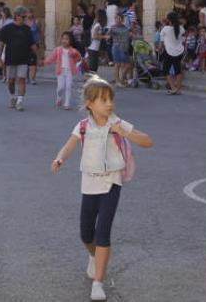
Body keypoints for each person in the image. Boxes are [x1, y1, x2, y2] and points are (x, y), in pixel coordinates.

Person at [50, 76, 153, 301]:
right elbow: (70, 145)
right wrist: (59, 159)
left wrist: (125, 132)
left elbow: (147, 141)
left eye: (110, 99)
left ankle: (98, 283)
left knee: (102, 232)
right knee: (86, 233)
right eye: (103, 100)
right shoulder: (83, 126)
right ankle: (93, 256)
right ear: (89, 103)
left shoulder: (117, 123)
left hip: (111, 183)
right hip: (89, 183)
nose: (109, 104)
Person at [0, 6, 39, 111]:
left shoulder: (27, 29)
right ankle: (12, 96)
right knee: (10, 81)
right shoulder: (7, 29)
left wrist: (38, 56)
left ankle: (20, 101)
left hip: (23, 58)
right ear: (16, 16)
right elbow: (1, 43)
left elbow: (32, 44)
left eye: (25, 17)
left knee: (22, 79)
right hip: (10, 58)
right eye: (23, 16)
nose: (25, 18)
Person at [42, 32, 83, 110]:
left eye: (67, 39)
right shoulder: (58, 49)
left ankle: (67, 103)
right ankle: (59, 97)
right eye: (63, 38)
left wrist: (76, 57)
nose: (65, 41)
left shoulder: (73, 51)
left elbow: (79, 57)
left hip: (69, 71)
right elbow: (52, 58)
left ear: (70, 41)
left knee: (68, 87)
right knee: (60, 87)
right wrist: (44, 62)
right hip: (60, 71)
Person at [160, 11, 186, 95]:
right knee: (178, 70)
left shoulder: (165, 29)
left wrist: (160, 48)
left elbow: (162, 41)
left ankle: (173, 88)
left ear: (168, 19)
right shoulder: (181, 28)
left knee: (166, 70)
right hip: (179, 51)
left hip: (169, 51)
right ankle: (178, 89)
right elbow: (183, 40)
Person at [108, 14, 132, 88]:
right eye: (116, 19)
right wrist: (109, 35)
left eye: (119, 19)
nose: (118, 20)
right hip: (116, 47)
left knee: (128, 64)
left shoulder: (125, 28)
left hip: (124, 48)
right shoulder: (113, 27)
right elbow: (109, 35)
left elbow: (129, 36)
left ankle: (121, 79)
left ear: (122, 20)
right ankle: (117, 81)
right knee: (117, 65)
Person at [25, 12, 42, 85]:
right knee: (26, 62)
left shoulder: (36, 22)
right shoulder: (24, 22)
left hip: (35, 43)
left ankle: (32, 78)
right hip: (26, 43)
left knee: (33, 61)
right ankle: (26, 78)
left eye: (30, 13)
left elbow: (40, 32)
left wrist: (41, 41)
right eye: (27, 13)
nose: (28, 15)